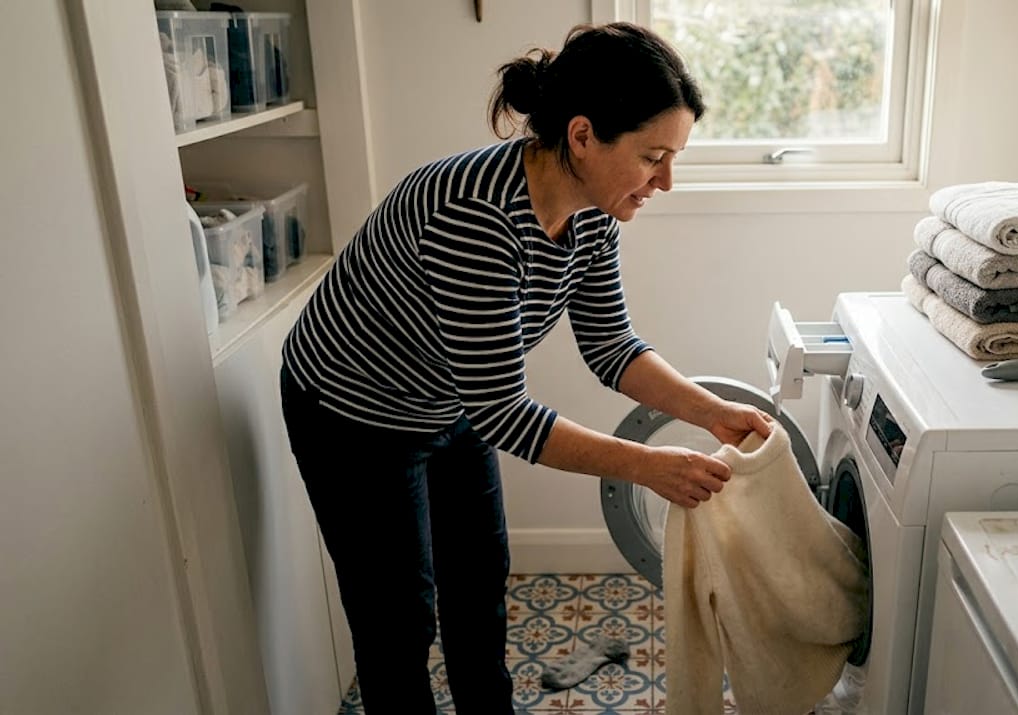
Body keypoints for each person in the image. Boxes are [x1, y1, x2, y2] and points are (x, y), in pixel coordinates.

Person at [279, 21, 772, 714]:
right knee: (399, 619)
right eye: (652, 156)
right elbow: (506, 413)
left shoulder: (598, 208)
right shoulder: (474, 216)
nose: (665, 181)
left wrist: (709, 411)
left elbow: (610, 344)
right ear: (581, 135)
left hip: (454, 402)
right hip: (354, 412)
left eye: (674, 156)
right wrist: (647, 465)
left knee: (478, 583)